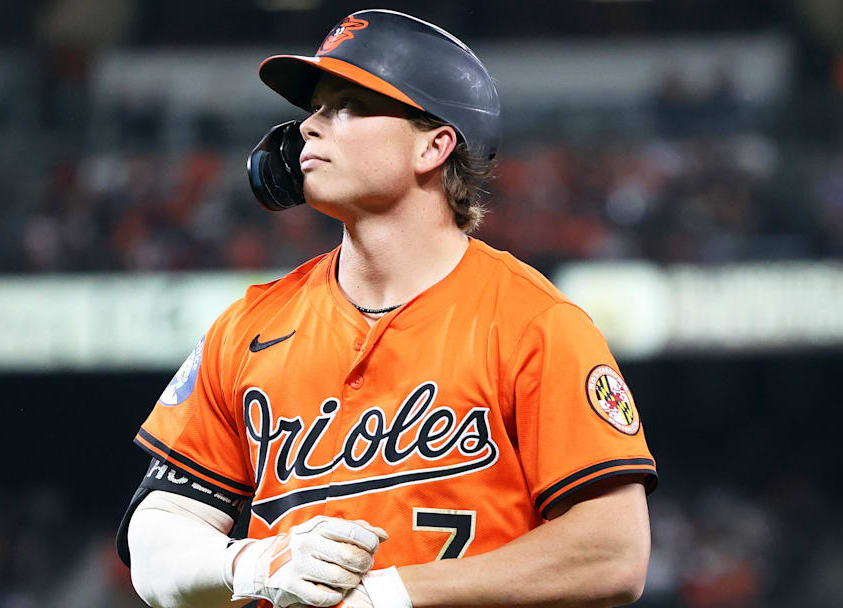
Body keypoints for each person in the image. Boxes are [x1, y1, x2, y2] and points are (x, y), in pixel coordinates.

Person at [118, 9, 657, 608]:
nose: (308, 129)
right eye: (313, 110)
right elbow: (155, 538)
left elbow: (614, 552)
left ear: (434, 145)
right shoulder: (249, 326)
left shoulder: (534, 323)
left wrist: (389, 594)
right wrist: (254, 561)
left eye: (345, 106)